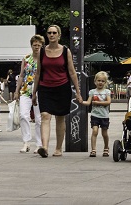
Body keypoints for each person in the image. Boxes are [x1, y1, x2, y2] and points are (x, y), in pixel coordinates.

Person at [30, 25, 83, 158]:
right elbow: (38, 73)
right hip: (45, 88)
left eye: (54, 33)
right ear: (47, 35)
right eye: (49, 33)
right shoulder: (42, 51)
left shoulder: (65, 51)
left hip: (62, 88)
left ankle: (58, 148)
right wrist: (34, 92)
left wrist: (78, 91)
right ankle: (45, 147)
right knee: (45, 116)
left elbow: (72, 72)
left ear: (59, 35)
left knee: (60, 118)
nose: (51, 35)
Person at [14, 34, 44, 153]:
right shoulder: (26, 58)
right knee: (23, 115)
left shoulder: (44, 59)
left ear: (42, 46)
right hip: (26, 89)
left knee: (39, 118)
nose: (36, 47)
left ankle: (39, 143)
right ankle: (26, 141)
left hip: (39, 90)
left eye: (39, 45)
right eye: (34, 44)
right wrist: (17, 91)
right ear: (31, 45)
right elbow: (21, 75)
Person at [82, 71, 112, 157]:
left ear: (105, 82)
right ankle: (93, 150)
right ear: (95, 81)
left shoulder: (107, 92)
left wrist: (98, 103)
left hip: (104, 116)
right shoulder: (92, 92)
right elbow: (88, 102)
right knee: (94, 131)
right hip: (95, 115)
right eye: (99, 80)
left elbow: (108, 102)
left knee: (104, 133)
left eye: (102, 81)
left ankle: (106, 148)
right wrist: (81, 102)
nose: (100, 82)